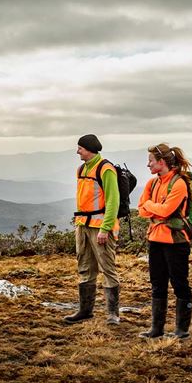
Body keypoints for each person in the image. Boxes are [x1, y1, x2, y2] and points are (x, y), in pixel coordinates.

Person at [136, 143, 192, 339]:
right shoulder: (152, 183)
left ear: (161, 162)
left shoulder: (179, 183)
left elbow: (165, 210)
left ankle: (182, 331)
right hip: (155, 239)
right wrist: (154, 207)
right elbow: (141, 209)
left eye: (151, 161)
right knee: (157, 283)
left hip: (176, 242)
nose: (148, 165)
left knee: (179, 284)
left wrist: (151, 205)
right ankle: (157, 329)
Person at [64, 134, 121, 325]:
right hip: (82, 225)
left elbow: (113, 200)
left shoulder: (105, 168)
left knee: (107, 267)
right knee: (85, 267)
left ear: (88, 149)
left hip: (100, 227)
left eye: (80, 148)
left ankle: (113, 314)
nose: (77, 151)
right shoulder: (81, 169)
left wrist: (105, 228)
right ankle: (85, 310)